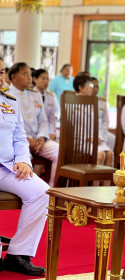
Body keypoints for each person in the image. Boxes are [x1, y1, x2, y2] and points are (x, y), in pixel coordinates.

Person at [0, 58, 49, 276]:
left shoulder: (9, 102)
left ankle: (17, 254)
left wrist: (23, 159)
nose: (0, 77)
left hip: (7, 166)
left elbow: (19, 137)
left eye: (1, 72)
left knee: (42, 193)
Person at [5, 62, 59, 187]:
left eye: (30, 74)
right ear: (13, 77)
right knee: (24, 158)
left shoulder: (35, 95)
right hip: (18, 141)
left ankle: (52, 189)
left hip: (38, 139)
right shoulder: (6, 95)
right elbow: (9, 125)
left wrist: (41, 137)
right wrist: (28, 140)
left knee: (58, 151)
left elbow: (43, 121)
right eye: (25, 74)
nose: (29, 78)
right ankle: (29, 190)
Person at [74, 75, 113, 179]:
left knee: (110, 154)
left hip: (93, 140)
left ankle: (106, 188)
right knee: (101, 155)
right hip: (79, 141)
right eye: (89, 86)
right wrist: (88, 137)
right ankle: (95, 188)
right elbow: (72, 127)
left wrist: (98, 137)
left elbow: (99, 123)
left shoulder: (92, 102)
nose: (92, 88)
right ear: (80, 87)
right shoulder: (72, 102)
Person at [33, 69, 60, 141]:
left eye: (47, 79)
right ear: (35, 79)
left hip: (48, 130)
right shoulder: (30, 95)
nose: (46, 81)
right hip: (34, 131)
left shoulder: (51, 96)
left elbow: (52, 117)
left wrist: (51, 132)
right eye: (43, 78)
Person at [91, 77, 115, 155]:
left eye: (97, 86)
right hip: (90, 132)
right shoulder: (83, 101)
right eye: (93, 86)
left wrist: (101, 135)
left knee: (112, 138)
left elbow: (105, 122)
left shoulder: (102, 102)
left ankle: (106, 156)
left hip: (100, 130)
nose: (95, 89)